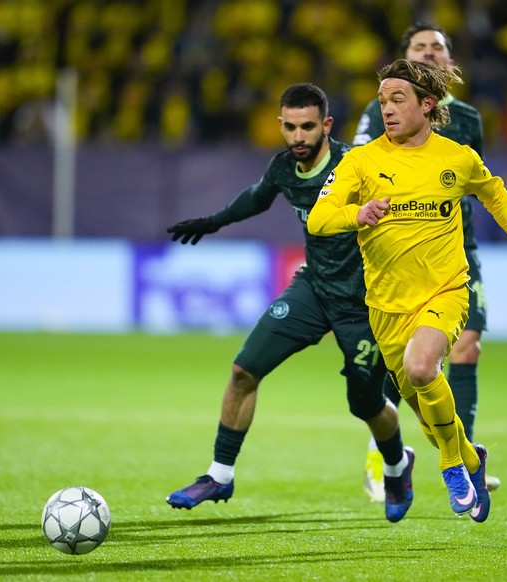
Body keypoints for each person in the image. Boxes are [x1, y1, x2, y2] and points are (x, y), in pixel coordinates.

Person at [307, 59, 507, 522]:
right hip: (386, 306)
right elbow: (319, 219)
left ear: (427, 104)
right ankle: (472, 459)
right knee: (427, 413)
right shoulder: (360, 161)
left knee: (422, 368)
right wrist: (355, 215)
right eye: (383, 101)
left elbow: (497, 196)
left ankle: (451, 467)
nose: (387, 109)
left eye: (397, 99)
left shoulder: (457, 158)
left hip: (445, 291)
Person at [164, 83, 416, 523]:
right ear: (280, 125)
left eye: (308, 127)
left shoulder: (357, 165)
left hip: (365, 304)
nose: (298, 137)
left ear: (327, 125)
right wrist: (213, 222)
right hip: (314, 289)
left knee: (365, 404)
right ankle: (220, 474)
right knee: (243, 371)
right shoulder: (283, 168)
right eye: (291, 127)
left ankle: (396, 466)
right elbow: (258, 197)